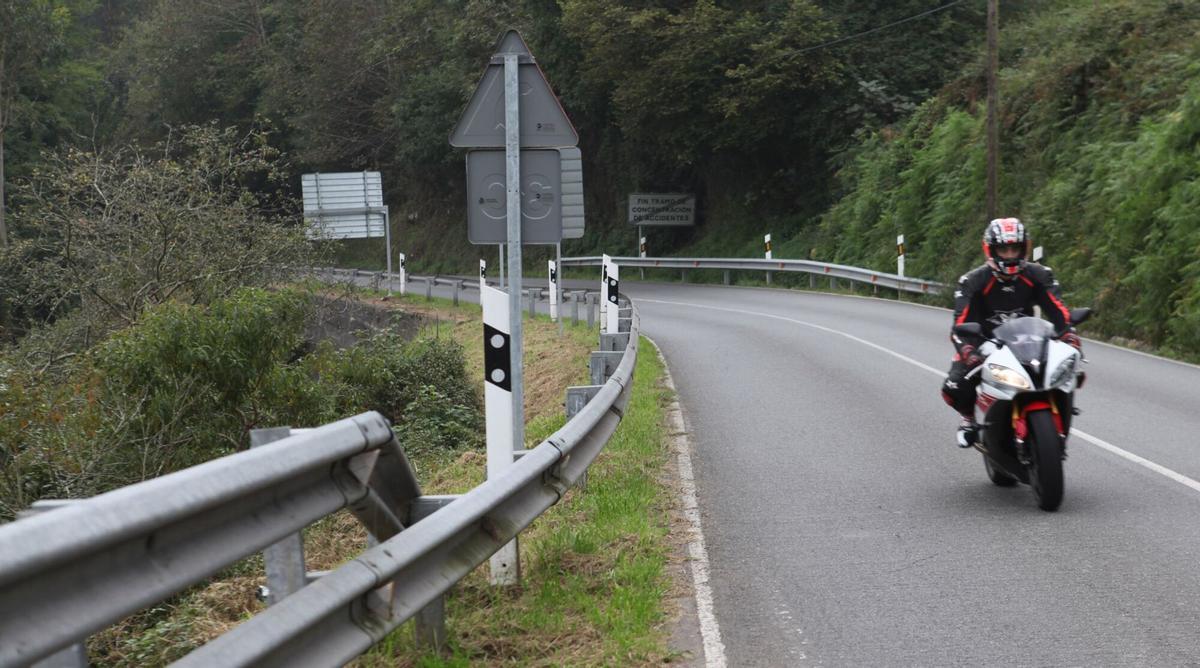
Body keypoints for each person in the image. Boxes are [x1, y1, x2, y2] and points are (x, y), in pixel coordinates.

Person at [942, 218, 1081, 447]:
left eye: (1014, 248)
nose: (1009, 255)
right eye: (1003, 249)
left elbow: (1058, 311)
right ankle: (968, 419)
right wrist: (968, 350)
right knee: (954, 386)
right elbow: (960, 324)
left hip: (1028, 339)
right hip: (985, 341)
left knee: (1070, 368)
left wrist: (1069, 333)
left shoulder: (1040, 274)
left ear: (1024, 248)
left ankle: (1060, 418)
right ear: (991, 250)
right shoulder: (972, 281)